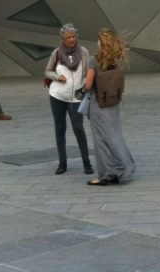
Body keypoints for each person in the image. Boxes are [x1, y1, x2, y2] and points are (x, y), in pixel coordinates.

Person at [83, 28, 136, 186]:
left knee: (100, 139)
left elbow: (87, 85)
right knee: (115, 135)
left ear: (101, 42)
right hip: (113, 103)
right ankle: (124, 167)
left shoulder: (94, 60)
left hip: (98, 104)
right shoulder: (116, 59)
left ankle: (106, 173)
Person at [44, 24, 93, 175]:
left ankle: (87, 162)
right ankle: (62, 163)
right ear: (62, 39)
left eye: (73, 36)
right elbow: (47, 71)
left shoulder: (84, 52)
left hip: (77, 97)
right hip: (57, 96)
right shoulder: (57, 53)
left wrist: (86, 86)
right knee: (60, 128)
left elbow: (87, 71)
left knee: (78, 128)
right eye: (68, 37)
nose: (72, 39)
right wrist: (58, 77)